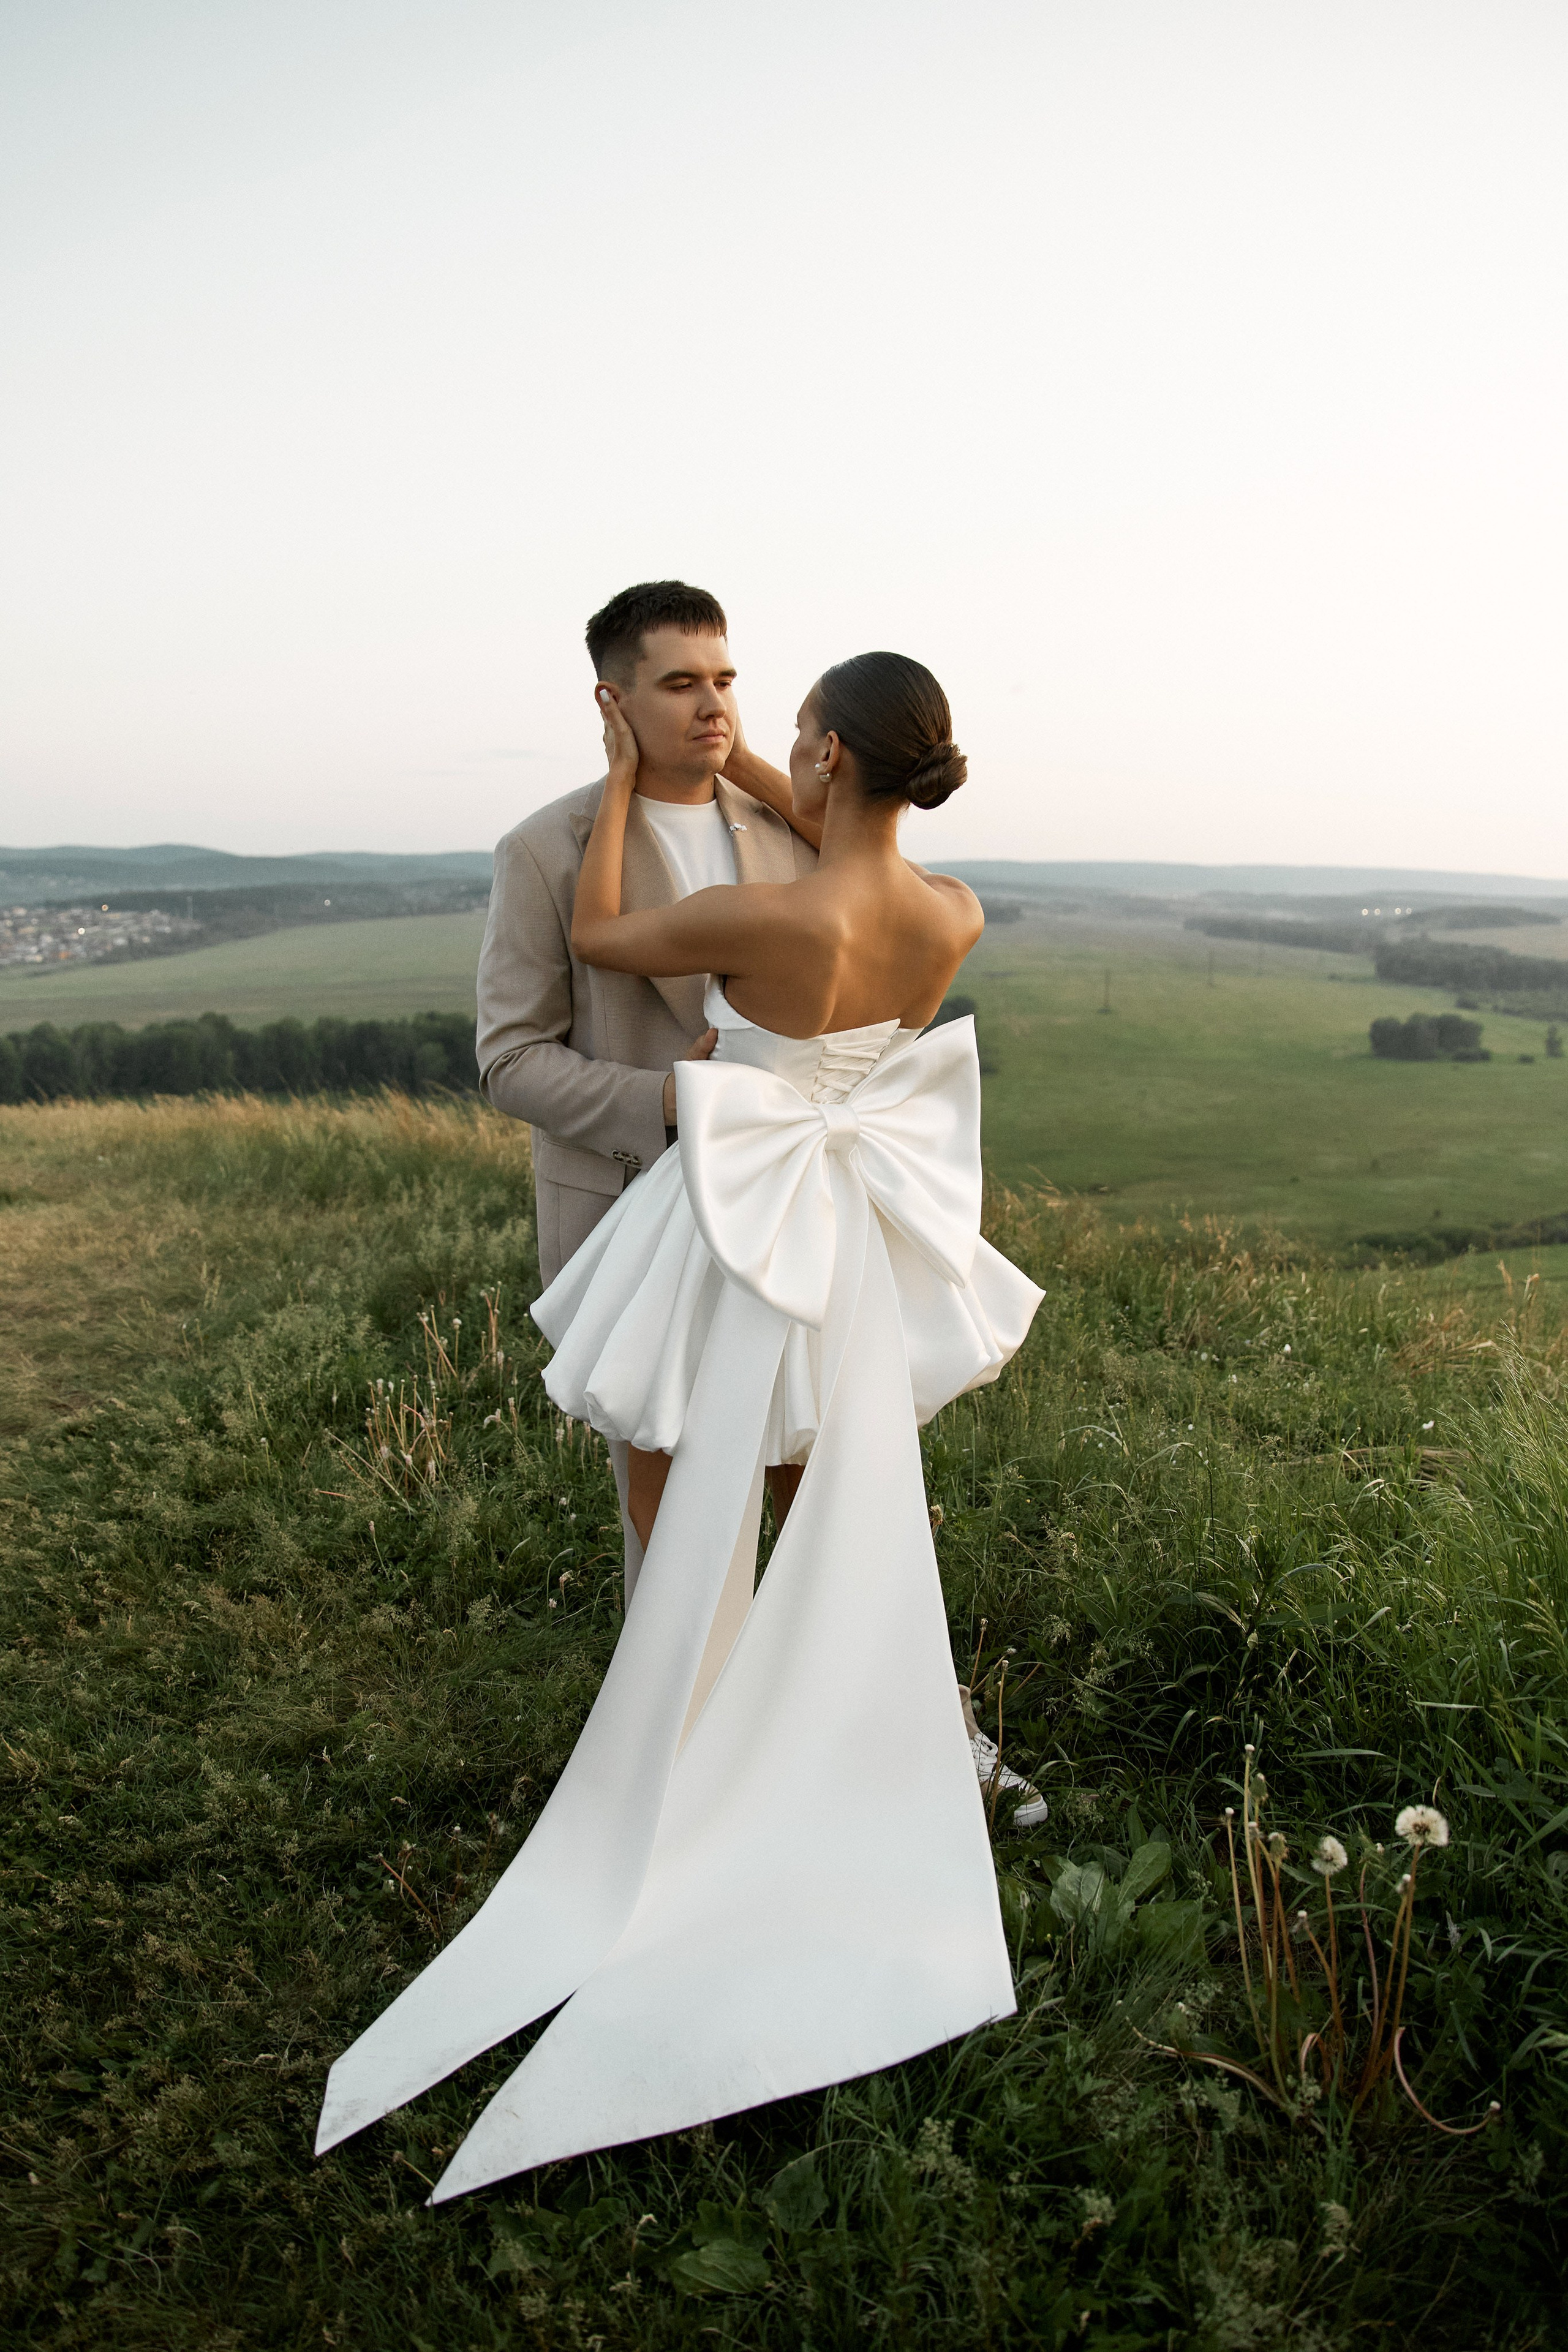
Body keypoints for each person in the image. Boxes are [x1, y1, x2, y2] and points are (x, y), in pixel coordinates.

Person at [316, 652, 1046, 2196]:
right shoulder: (952, 911)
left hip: (733, 1228)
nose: (757, 746)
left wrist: (620, 780)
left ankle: (684, 1742)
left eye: (789, 736)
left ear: (834, 758)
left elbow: (597, 934)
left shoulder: (757, 916)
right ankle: (850, 1721)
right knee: (841, 1475)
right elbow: (840, 828)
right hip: (841, 1231)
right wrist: (798, 773)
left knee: (679, 1472)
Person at [475, 579, 817, 1594]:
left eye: (725, 680)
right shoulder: (546, 850)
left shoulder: (789, 828)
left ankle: (821, 1704)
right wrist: (668, 1098)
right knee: (670, 1484)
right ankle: (682, 1720)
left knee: (809, 1459)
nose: (713, 705)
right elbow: (510, 1060)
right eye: (678, 685)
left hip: (786, 1201)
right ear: (612, 703)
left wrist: (750, 764)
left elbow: (878, 899)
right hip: (635, 1203)